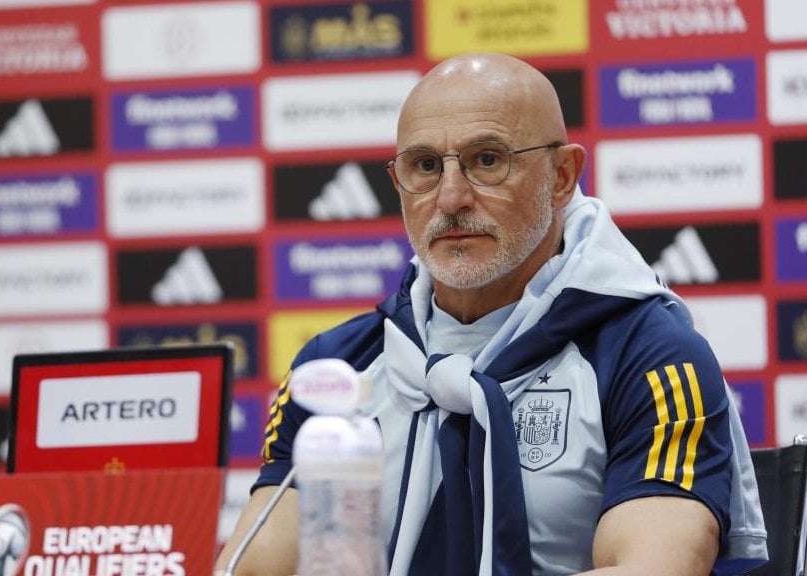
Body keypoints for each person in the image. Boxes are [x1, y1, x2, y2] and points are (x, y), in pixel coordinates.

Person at [215, 52, 767, 576]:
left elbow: (657, 566)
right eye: (425, 166)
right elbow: (253, 567)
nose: (451, 198)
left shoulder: (649, 356)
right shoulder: (337, 369)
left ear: (561, 176)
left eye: (487, 160)